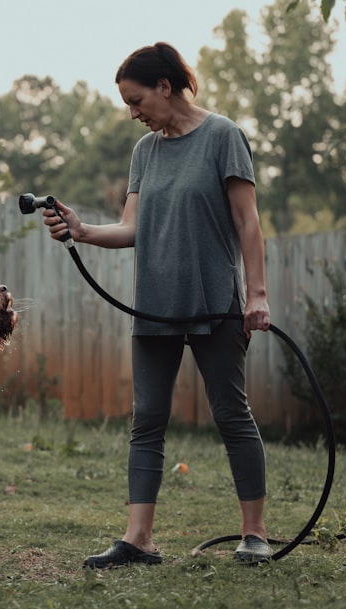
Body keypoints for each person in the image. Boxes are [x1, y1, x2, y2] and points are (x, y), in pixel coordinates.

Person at [41, 42, 273, 566]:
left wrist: (256, 295)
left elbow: (248, 222)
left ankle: (255, 533)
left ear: (165, 87)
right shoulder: (145, 152)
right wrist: (81, 230)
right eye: (127, 103)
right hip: (155, 309)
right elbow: (132, 228)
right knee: (146, 419)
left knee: (232, 414)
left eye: (137, 99)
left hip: (215, 304)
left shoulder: (223, 136)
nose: (133, 113)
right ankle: (138, 539)